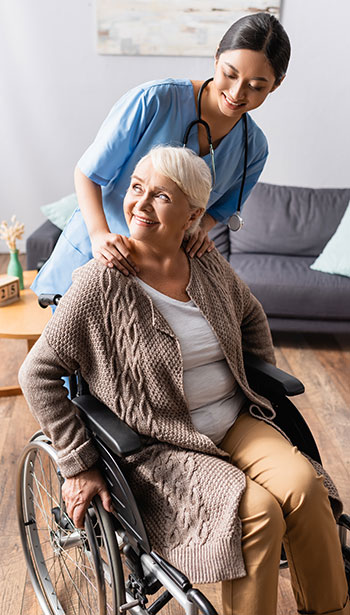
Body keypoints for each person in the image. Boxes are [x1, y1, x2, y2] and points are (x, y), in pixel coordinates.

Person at [20, 146, 349, 615]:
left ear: (193, 214)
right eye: (137, 189)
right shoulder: (101, 281)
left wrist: (256, 377)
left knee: (305, 489)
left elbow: (251, 314)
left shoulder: (206, 263)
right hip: (162, 444)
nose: (140, 203)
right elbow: (37, 372)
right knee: (256, 514)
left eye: (161, 197)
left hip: (234, 420)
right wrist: (78, 462)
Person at [31, 12, 291, 298]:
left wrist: (198, 231)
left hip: (157, 279)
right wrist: (99, 236)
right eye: (229, 74)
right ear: (216, 58)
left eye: (256, 87)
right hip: (94, 256)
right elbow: (88, 173)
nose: (237, 92)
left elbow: (219, 210)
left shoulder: (253, 149)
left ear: (276, 85)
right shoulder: (154, 101)